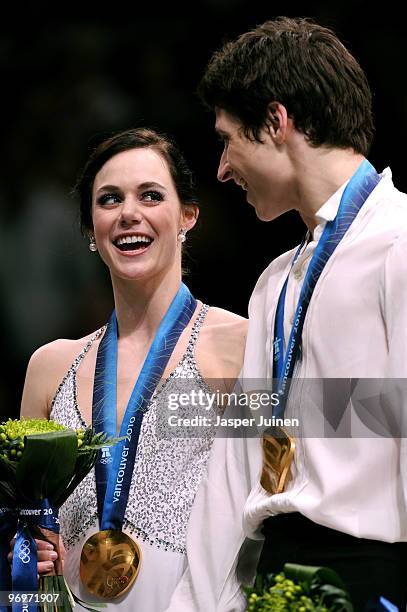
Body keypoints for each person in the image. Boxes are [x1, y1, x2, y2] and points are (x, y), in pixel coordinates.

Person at [166, 17, 407, 611]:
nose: (222, 168)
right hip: (274, 567)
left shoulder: (399, 243)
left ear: (276, 122)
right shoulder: (274, 283)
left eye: (228, 140)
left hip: (372, 573)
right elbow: (234, 464)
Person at [16, 127, 247, 611]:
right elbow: (20, 535)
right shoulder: (49, 367)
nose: (129, 214)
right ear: (89, 230)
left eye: (150, 195)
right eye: (109, 199)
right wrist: (22, 560)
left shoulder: (240, 347)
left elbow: (287, 495)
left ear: (187, 215)